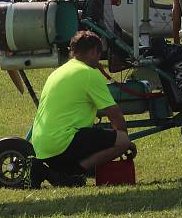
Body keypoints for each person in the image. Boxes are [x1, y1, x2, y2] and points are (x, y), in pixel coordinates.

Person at [30, 30, 134, 186]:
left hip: (41, 148)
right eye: (99, 55)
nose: (100, 60)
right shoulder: (89, 74)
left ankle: (49, 170)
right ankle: (71, 174)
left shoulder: (59, 72)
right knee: (122, 140)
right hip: (62, 146)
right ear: (93, 52)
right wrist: (126, 142)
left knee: (94, 135)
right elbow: (114, 114)